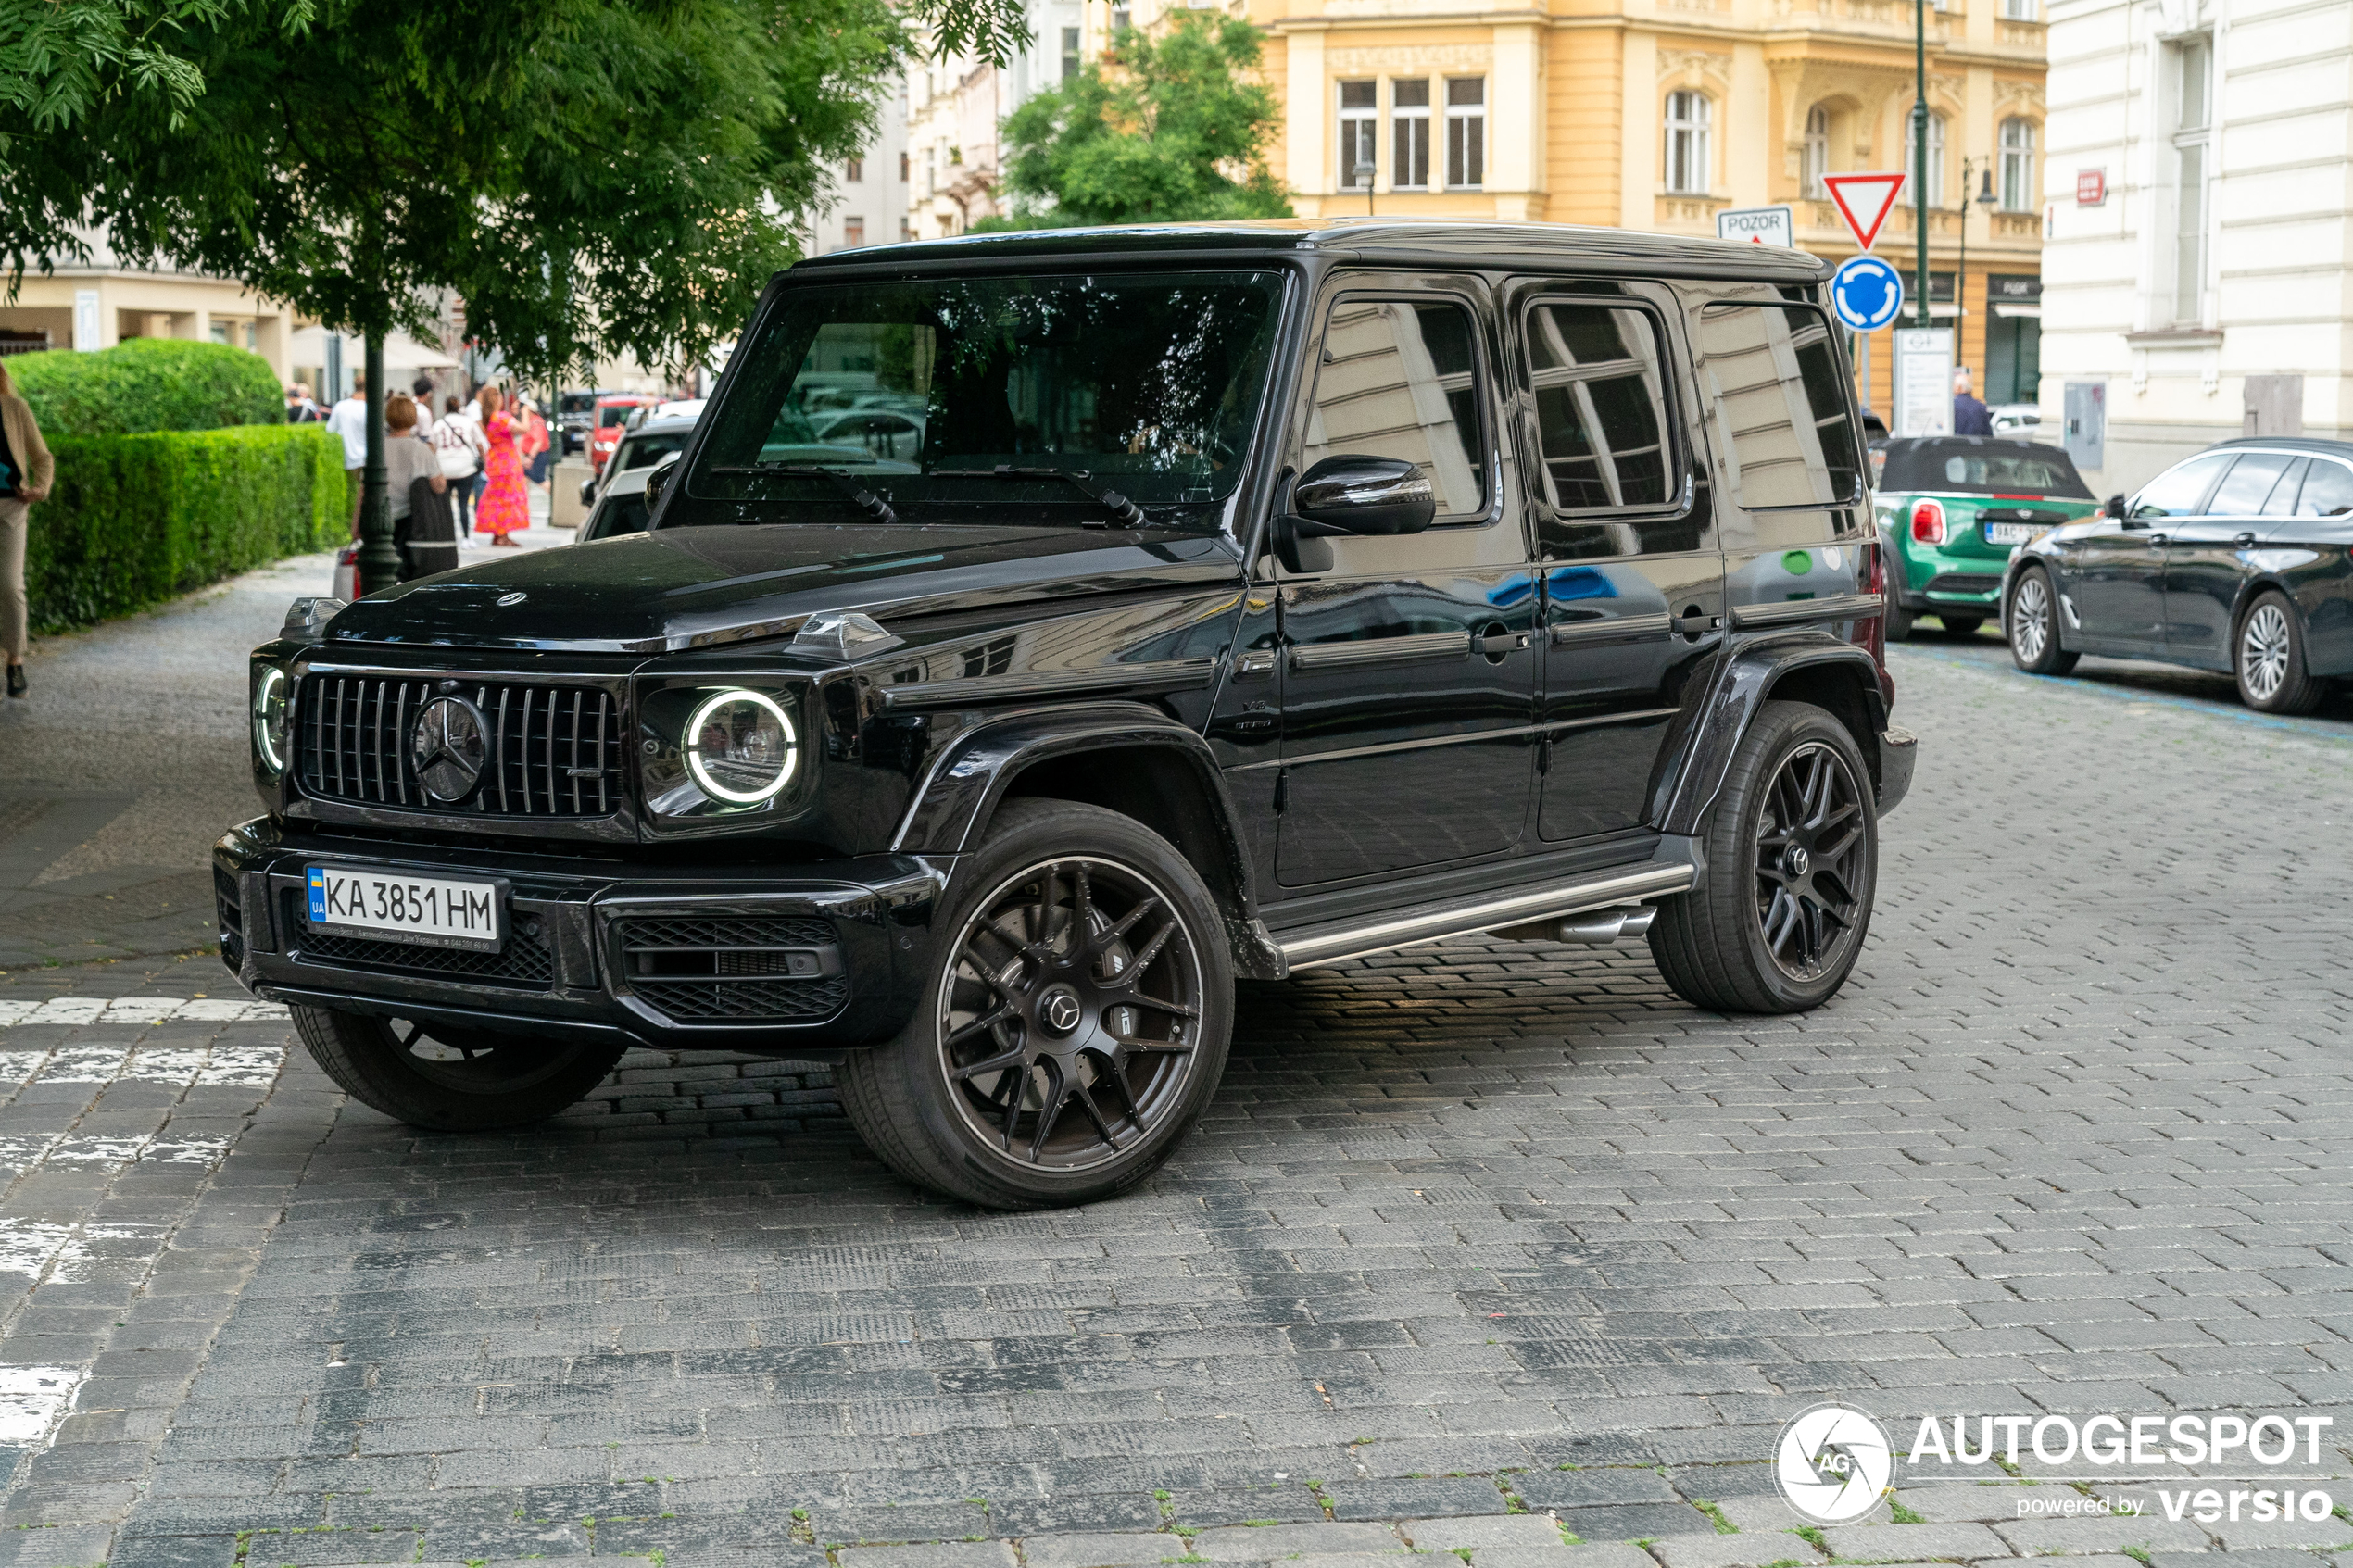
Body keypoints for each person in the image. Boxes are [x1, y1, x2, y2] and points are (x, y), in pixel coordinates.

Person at [0, 360, 56, 699]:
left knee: (9, 586)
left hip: (11, 507)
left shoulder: (15, 409)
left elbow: (42, 457)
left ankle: (15, 659)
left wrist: (40, 488)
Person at [379, 395, 450, 580]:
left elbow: (363, 490)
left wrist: (356, 526)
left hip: (380, 518)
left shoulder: (378, 449)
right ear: (413, 418)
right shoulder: (420, 449)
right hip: (411, 520)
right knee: (408, 573)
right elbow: (439, 486)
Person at [473, 385, 529, 546]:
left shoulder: (488, 418)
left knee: (497, 498)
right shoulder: (501, 417)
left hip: (494, 462)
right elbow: (524, 429)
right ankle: (504, 535)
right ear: (497, 399)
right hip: (508, 463)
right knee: (508, 498)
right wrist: (525, 413)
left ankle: (498, 534)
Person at [432, 394, 484, 537]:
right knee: (463, 504)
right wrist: (483, 461)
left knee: (445, 506)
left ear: (445, 407)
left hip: (444, 469)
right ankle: (466, 537)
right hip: (465, 468)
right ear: (459, 407)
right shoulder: (468, 422)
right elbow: (479, 445)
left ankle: (447, 535)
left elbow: (432, 446)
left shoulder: (439, 424)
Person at [322, 373, 370, 522]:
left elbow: (330, 430)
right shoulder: (369, 409)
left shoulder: (341, 407)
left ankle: (349, 525)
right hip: (367, 459)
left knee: (350, 495)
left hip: (347, 458)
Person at [1953, 368, 1993, 436]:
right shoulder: (1980, 406)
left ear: (1959, 387)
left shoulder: (1952, 406)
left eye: (1954, 386)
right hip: (1975, 445)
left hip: (1954, 445)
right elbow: (1988, 434)